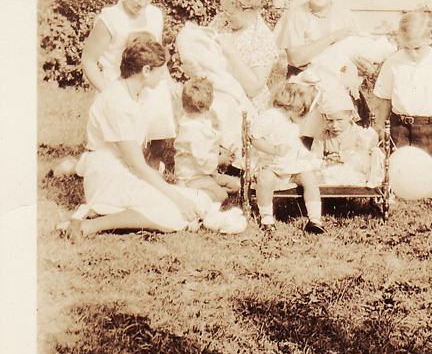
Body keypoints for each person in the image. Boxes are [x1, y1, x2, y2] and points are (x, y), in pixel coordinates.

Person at [57, 38, 211, 239]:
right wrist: (177, 198)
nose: (165, 77)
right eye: (162, 71)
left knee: (202, 200)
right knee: (176, 211)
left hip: (125, 172)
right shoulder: (117, 102)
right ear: (146, 71)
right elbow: (138, 164)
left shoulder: (134, 93)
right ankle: (90, 226)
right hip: (108, 176)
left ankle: (100, 212)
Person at [81, 0, 179, 164]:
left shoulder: (155, 15)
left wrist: (167, 80)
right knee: (114, 152)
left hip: (148, 79)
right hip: (117, 82)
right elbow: (89, 61)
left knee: (158, 117)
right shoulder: (110, 19)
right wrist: (108, 92)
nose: (141, 3)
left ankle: (152, 165)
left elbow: (156, 53)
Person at [373, 11, 432, 159]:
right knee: (397, 168)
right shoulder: (393, 63)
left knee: (425, 171)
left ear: (431, 38)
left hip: (427, 127)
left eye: (417, 48)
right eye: (406, 48)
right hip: (398, 126)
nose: (412, 54)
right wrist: (379, 128)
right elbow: (385, 99)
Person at [250, 82, 324, 235]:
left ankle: (315, 218)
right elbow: (255, 139)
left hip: (290, 165)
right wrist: (274, 149)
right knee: (264, 179)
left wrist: (304, 153)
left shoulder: (291, 120)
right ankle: (266, 217)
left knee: (309, 178)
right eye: (302, 111)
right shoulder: (270, 117)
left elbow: (293, 142)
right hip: (271, 164)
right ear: (294, 106)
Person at [273, 0, 361, 73]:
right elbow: (295, 59)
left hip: (339, 79)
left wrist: (366, 67)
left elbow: (361, 49)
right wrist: (332, 37)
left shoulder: (346, 16)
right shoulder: (295, 16)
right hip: (303, 83)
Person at [174, 76, 241, 204]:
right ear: (208, 107)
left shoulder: (197, 122)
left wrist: (220, 151)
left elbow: (207, 147)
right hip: (193, 177)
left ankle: (207, 191)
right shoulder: (192, 131)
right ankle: (190, 193)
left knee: (235, 185)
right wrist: (221, 160)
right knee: (222, 196)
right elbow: (203, 162)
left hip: (207, 173)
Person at [311, 86, 384, 188]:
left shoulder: (361, 134)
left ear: (350, 116)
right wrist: (324, 162)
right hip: (329, 172)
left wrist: (345, 159)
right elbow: (315, 157)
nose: (334, 126)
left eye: (340, 120)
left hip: (353, 174)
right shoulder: (323, 134)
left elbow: (364, 161)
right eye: (330, 121)